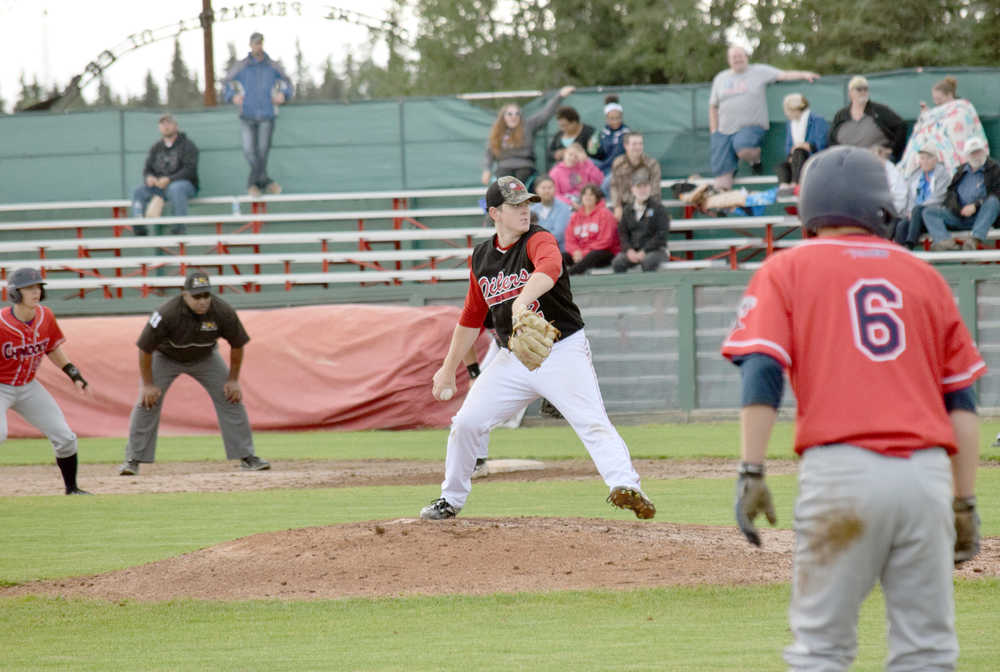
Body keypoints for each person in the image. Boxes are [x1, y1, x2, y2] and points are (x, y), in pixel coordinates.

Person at [722, 145, 983, 670]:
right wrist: (965, 501)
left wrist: (752, 468)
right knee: (928, 651)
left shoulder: (785, 269)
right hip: (926, 479)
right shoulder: (925, 277)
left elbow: (763, 370)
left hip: (841, 475)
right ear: (881, 206)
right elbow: (962, 401)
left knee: (822, 649)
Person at [420, 176, 654, 521]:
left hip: (562, 350)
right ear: (494, 213)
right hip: (512, 358)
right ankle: (450, 500)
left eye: (527, 203)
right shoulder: (482, 257)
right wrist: (446, 369)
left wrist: (522, 301)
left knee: (591, 421)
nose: (525, 210)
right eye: (515, 205)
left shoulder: (538, 238)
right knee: (466, 423)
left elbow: (550, 268)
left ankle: (626, 486)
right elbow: (471, 317)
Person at [118, 270, 270, 475]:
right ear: (184, 294)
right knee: (147, 401)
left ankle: (247, 456)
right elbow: (145, 348)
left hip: (205, 356)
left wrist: (233, 380)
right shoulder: (167, 313)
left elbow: (238, 344)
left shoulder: (222, 311)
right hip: (166, 357)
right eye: (196, 296)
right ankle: (133, 459)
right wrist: (148, 385)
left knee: (230, 397)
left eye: (206, 295)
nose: (202, 301)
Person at [1, 268, 90, 495]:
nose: (36, 292)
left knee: (65, 437)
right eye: (29, 288)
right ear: (14, 293)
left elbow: (52, 348)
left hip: (28, 386)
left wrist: (74, 373)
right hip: (1, 386)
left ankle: (72, 489)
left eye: (38, 287)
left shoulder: (45, 316)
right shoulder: (2, 323)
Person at [709, 45, 820, 190]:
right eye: (733, 57)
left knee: (743, 148)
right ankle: (724, 208)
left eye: (740, 55)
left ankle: (755, 161)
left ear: (746, 56)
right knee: (721, 180)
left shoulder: (759, 71)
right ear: (728, 60)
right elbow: (713, 106)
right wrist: (714, 131)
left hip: (750, 126)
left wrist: (804, 74)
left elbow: (784, 75)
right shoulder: (720, 78)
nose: (737, 59)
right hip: (723, 132)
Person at [222, 32, 293, 197]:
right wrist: (232, 96)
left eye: (260, 43)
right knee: (249, 151)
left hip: (267, 114)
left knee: (262, 151)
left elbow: (287, 82)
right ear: (250, 45)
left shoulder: (273, 66)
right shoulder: (242, 66)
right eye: (255, 43)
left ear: (263, 44)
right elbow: (226, 83)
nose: (258, 46)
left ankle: (252, 185)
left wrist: (283, 94)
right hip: (247, 114)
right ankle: (266, 181)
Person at [481, 86, 576, 187]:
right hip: (504, 168)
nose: (514, 116)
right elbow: (489, 153)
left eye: (517, 114)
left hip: (525, 167)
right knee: (503, 182)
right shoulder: (498, 133)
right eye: (510, 114)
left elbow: (545, 114)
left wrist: (560, 95)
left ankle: (520, 199)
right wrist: (487, 169)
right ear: (503, 117)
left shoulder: (528, 126)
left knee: (521, 180)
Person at [898, 75, 990, 178]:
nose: (936, 102)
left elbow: (955, 128)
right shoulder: (938, 111)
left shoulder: (961, 109)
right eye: (934, 99)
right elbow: (929, 123)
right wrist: (926, 115)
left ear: (949, 95)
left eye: (939, 99)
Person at [920, 136, 1000, 250]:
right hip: (958, 215)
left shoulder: (995, 168)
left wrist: (976, 205)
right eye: (973, 153)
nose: (976, 155)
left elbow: (998, 193)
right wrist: (956, 208)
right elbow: (950, 193)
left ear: (984, 151)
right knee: (928, 211)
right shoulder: (961, 171)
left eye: (979, 151)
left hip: (981, 217)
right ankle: (945, 242)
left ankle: (974, 239)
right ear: (967, 156)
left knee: (993, 201)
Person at [131, 114, 199, 235]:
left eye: (169, 123)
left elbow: (190, 170)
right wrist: (149, 178)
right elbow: (147, 169)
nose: (166, 126)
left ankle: (179, 228)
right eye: (162, 124)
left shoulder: (188, 145)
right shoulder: (156, 148)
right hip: (159, 188)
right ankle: (139, 227)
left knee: (176, 188)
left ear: (176, 126)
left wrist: (169, 179)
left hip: (184, 186)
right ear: (159, 127)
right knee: (138, 191)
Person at [829, 76, 907, 162]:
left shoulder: (879, 110)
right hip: (848, 162)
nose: (863, 92)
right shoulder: (841, 115)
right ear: (850, 93)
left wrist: (892, 150)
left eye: (865, 89)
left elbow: (901, 126)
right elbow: (831, 140)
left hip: (876, 161)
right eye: (859, 89)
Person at [892, 145, 951, 249]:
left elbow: (939, 197)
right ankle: (899, 252)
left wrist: (915, 210)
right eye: (922, 158)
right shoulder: (915, 175)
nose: (925, 161)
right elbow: (910, 198)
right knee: (901, 225)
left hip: (932, 213)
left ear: (936, 159)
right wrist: (910, 211)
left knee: (917, 210)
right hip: (915, 215)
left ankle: (910, 243)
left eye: (928, 158)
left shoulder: (943, 174)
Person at [612, 170, 670, 273]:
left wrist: (644, 251)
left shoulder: (659, 208)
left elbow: (661, 235)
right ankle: (625, 289)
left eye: (645, 186)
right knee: (618, 262)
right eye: (639, 186)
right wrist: (629, 250)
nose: (642, 190)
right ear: (632, 189)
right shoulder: (627, 210)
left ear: (650, 188)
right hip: (634, 250)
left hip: (656, 250)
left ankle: (650, 289)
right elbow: (623, 233)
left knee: (648, 261)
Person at [777, 93, 828, 194]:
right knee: (782, 166)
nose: (786, 114)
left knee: (799, 152)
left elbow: (821, 144)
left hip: (813, 159)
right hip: (796, 160)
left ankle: (796, 184)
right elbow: (789, 147)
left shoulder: (818, 120)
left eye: (787, 110)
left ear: (796, 109)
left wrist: (808, 146)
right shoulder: (790, 124)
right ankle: (784, 188)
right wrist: (790, 155)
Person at [564, 183, 620, 275]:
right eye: (585, 194)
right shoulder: (576, 216)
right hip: (580, 255)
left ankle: (569, 275)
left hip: (604, 253)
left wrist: (584, 253)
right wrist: (575, 251)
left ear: (597, 197)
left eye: (591, 194)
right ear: (581, 197)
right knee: (562, 256)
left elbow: (605, 241)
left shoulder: (605, 214)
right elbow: (570, 239)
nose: (587, 197)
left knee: (592, 255)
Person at [608, 132, 661, 221]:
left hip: (646, 205)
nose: (638, 147)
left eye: (640, 144)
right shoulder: (618, 163)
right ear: (626, 146)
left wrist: (644, 208)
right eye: (634, 144)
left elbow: (655, 191)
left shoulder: (652, 164)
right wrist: (617, 206)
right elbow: (614, 187)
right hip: (624, 205)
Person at [548, 143, 605, 209]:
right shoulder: (555, 172)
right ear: (565, 154)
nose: (572, 158)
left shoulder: (584, 166)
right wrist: (571, 203)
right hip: (566, 203)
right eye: (570, 154)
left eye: (576, 156)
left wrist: (587, 162)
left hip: (585, 199)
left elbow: (599, 181)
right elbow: (555, 194)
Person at [530, 176, 572, 252]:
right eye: (543, 188)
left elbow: (559, 234)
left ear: (555, 189)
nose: (547, 191)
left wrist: (538, 241)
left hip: (558, 250)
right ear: (536, 190)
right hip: (535, 249)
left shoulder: (564, 208)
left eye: (550, 188)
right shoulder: (532, 209)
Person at [592, 95, 631, 177]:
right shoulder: (604, 131)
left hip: (617, 168)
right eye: (612, 118)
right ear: (606, 118)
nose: (616, 121)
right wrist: (593, 149)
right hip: (604, 166)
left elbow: (616, 156)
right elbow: (600, 153)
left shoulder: (626, 133)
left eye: (618, 118)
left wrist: (599, 168)